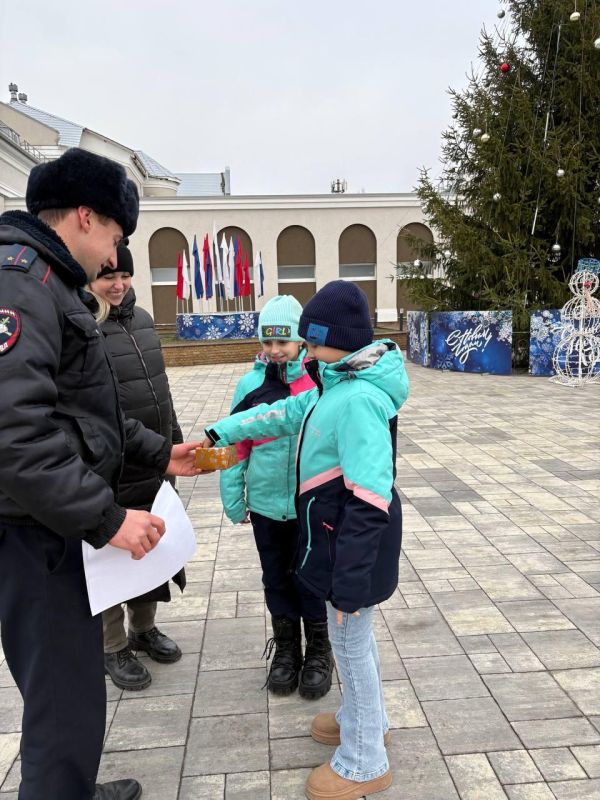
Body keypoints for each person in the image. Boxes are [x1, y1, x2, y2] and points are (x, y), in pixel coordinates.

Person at [0, 148, 203, 800]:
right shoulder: (21, 284)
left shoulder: (49, 284)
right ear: (87, 217)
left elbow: (86, 411)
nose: (113, 256)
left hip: (50, 526)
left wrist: (157, 452)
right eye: (115, 237)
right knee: (63, 703)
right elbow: (16, 436)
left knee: (72, 690)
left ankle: (72, 789)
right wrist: (109, 519)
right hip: (32, 535)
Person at [203, 281, 409, 800]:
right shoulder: (333, 385)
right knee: (353, 642)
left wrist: (350, 580)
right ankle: (364, 720)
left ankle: (365, 761)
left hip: (350, 550)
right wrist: (218, 433)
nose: (306, 353)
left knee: (349, 645)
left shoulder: (358, 398)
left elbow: (370, 499)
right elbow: (281, 414)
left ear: (338, 341)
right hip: (333, 539)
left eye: (312, 344)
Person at [220, 295, 333, 698]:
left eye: (283, 341)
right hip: (267, 503)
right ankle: (287, 650)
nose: (274, 350)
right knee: (275, 579)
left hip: (310, 506)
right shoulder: (250, 385)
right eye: (267, 341)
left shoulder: (318, 382)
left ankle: (320, 649)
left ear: (301, 340)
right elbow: (234, 443)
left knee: (311, 579)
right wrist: (234, 496)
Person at [88, 243, 185, 691]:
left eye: (124, 276)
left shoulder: (143, 321)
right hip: (110, 464)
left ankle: (144, 629)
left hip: (153, 458)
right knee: (111, 557)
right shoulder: (85, 327)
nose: (118, 285)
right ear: (90, 279)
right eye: (108, 276)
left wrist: (174, 442)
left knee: (153, 551)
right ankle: (112, 646)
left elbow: (159, 391)